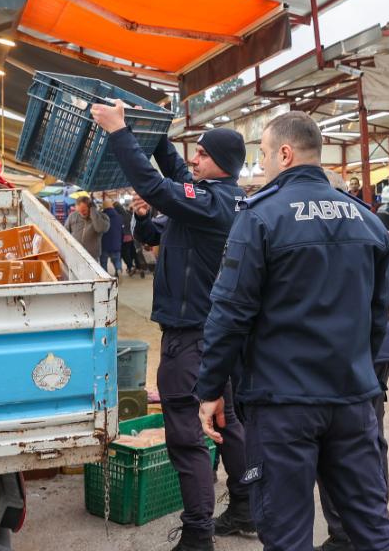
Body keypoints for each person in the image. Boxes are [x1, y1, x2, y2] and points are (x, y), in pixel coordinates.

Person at [196, 112, 389, 551]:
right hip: (352, 399)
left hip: (283, 404)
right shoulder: (368, 221)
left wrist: (210, 388)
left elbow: (230, 313)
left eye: (266, 156)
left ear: (285, 154)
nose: (264, 165)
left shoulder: (260, 217)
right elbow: (379, 316)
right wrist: (366, 377)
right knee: (371, 525)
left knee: (286, 533)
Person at [90, 100, 253, 551]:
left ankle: (198, 533)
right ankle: (246, 507)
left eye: (202, 153)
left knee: (186, 433)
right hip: (218, 335)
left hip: (192, 337)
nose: (193, 159)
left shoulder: (213, 202)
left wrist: (121, 131)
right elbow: (170, 189)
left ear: (222, 163)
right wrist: (154, 132)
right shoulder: (220, 198)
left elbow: (157, 185)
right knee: (228, 420)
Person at [315, 169, 389, 551]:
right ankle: (355, 525)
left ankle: (353, 528)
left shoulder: (347, 230)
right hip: (367, 351)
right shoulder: (370, 227)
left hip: (357, 354)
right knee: (364, 437)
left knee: (355, 440)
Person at [64, 196, 109, 261]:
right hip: (75, 254)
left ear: (90, 207)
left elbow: (100, 229)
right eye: (79, 211)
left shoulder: (102, 217)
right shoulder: (72, 216)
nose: (81, 213)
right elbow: (65, 232)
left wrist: (93, 212)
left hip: (92, 257)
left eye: (84, 210)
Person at [99, 196, 124, 277]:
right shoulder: (119, 217)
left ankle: (105, 275)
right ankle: (118, 269)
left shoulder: (101, 216)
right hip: (116, 242)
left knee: (103, 261)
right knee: (117, 260)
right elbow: (121, 231)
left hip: (104, 243)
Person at [117, 197, 138, 276]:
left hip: (124, 238)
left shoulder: (119, 216)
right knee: (131, 252)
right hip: (131, 236)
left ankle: (130, 267)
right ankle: (133, 266)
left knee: (125, 254)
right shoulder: (127, 214)